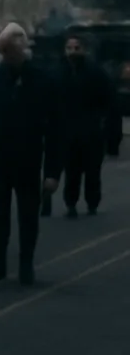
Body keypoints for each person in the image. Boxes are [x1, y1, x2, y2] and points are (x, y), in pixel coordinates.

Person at [0, 22, 63, 286]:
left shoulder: (43, 83)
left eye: (12, 49)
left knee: (28, 216)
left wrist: (53, 173)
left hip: (28, 160)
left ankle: (26, 265)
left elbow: (55, 130)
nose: (9, 55)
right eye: (5, 50)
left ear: (22, 49)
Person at [55, 32, 122, 217]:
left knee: (92, 172)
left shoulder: (96, 73)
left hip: (91, 131)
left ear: (84, 50)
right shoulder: (59, 72)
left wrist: (111, 138)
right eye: (69, 48)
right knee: (71, 172)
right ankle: (71, 204)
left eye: (76, 48)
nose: (73, 52)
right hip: (69, 132)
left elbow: (111, 104)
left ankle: (92, 203)